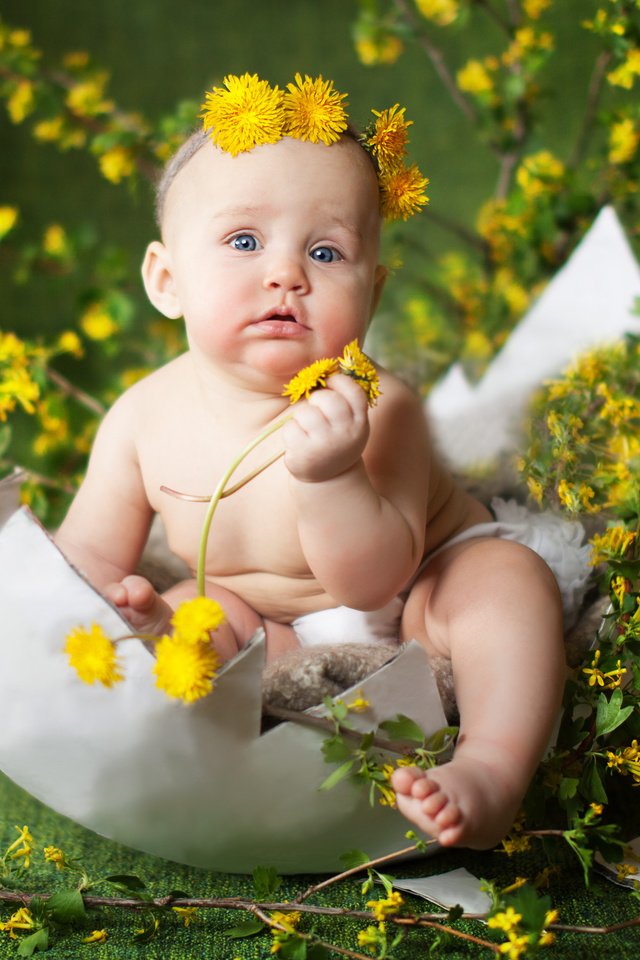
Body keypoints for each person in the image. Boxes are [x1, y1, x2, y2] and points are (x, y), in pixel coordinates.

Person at [55, 73, 572, 851]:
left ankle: (491, 769)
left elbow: (371, 580)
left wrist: (334, 474)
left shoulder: (378, 405)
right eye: (243, 242)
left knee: (508, 586)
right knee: (190, 610)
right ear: (167, 281)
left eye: (327, 252)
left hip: (417, 592)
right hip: (264, 620)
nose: (287, 274)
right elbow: (85, 554)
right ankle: (187, 721)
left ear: (371, 294)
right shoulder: (141, 417)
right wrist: (113, 607)